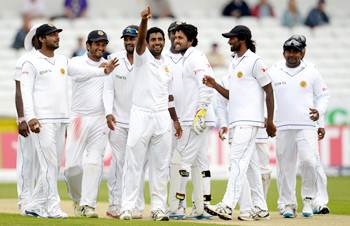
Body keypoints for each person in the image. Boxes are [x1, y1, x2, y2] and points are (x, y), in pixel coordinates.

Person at [21, 23, 117, 218]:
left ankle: (76, 205)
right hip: (67, 119)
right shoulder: (62, 61)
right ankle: (70, 201)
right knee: (69, 167)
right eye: (52, 35)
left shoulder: (62, 60)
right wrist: (29, 117)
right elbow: (26, 91)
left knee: (84, 163)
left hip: (73, 119)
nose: (57, 37)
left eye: (58, 34)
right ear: (88, 45)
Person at [203, 25, 276, 221]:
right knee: (251, 167)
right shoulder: (234, 62)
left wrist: (270, 120)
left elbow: (269, 90)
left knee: (236, 162)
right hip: (237, 120)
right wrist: (215, 85)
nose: (229, 41)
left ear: (242, 39)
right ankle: (261, 207)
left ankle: (227, 205)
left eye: (232, 38)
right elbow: (232, 95)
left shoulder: (254, 61)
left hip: (249, 120)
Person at [119, 6, 182, 221]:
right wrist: (144, 21)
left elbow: (169, 96)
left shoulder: (167, 64)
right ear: (147, 42)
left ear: (165, 42)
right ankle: (127, 207)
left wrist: (175, 120)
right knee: (134, 164)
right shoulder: (141, 57)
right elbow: (139, 46)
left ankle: (158, 208)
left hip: (162, 117)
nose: (157, 42)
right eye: (152, 39)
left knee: (160, 166)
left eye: (159, 39)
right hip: (141, 115)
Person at [269, 35, 329, 218]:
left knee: (309, 162)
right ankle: (288, 204)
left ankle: (309, 201)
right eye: (289, 51)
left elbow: (323, 96)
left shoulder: (312, 71)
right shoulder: (274, 71)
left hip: (306, 125)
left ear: (303, 52)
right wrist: (269, 120)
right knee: (285, 167)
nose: (292, 55)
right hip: (283, 126)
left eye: (296, 51)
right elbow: (266, 97)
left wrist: (320, 114)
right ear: (283, 53)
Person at [64, 30, 118, 218]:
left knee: (94, 162)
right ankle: (77, 199)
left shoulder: (110, 64)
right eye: (96, 44)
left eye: (103, 44)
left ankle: (88, 205)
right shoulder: (76, 61)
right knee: (72, 167)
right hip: (78, 117)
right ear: (88, 45)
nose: (100, 47)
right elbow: (72, 72)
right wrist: (101, 71)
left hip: (99, 119)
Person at [170, 23, 216, 220]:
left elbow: (207, 84)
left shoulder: (195, 57)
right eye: (175, 37)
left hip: (195, 118)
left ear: (190, 40)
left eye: (180, 37)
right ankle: (203, 207)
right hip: (190, 117)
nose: (176, 40)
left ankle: (180, 206)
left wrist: (201, 113)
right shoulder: (185, 58)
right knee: (201, 161)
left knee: (185, 161)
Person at [103, 25, 145, 219]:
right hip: (118, 122)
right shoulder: (115, 60)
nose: (129, 42)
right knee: (119, 164)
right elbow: (108, 89)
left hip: (140, 121)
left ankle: (136, 205)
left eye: (133, 38)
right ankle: (115, 204)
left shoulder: (145, 59)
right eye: (126, 39)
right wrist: (108, 112)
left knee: (136, 165)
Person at [14, 24, 39, 216]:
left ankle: (36, 201)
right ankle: (24, 200)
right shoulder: (24, 60)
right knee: (27, 160)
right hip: (28, 118)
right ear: (36, 39)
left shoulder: (50, 60)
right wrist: (22, 117)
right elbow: (19, 91)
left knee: (41, 162)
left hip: (45, 118)